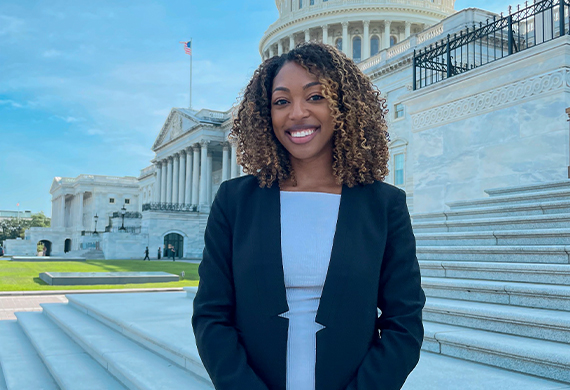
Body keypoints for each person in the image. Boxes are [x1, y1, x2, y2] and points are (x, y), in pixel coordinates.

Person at [192, 42, 425, 390]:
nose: (297, 113)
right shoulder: (235, 201)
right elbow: (211, 316)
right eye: (281, 101)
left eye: (315, 97)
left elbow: (404, 322)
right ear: (265, 114)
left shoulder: (383, 205)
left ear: (343, 105)